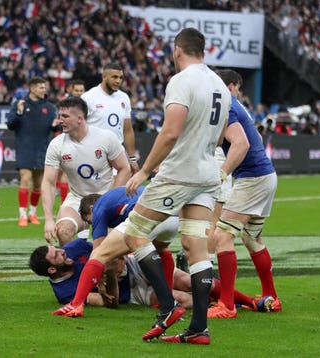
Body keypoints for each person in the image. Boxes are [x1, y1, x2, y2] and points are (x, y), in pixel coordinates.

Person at [60, 28, 229, 345]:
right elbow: (220, 138)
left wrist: (144, 170)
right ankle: (198, 329)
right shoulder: (219, 84)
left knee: (135, 233)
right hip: (208, 173)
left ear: (178, 50)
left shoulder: (182, 81)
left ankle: (167, 308)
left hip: (180, 172)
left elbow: (170, 132)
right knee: (195, 248)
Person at [207, 69, 281, 319]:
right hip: (264, 175)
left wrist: (222, 173)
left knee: (221, 235)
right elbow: (255, 137)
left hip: (253, 179)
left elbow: (242, 143)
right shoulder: (238, 106)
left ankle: (226, 304)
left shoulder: (227, 107)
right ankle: (271, 296)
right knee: (251, 238)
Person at [30, 238, 275, 311]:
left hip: (134, 265)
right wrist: (111, 276)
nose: (63, 251)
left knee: (188, 280)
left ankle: (248, 302)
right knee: (185, 298)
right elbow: (109, 302)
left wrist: (120, 258)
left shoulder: (75, 247)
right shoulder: (65, 293)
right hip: (133, 292)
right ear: (52, 270)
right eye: (57, 255)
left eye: (58, 249)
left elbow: (106, 242)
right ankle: (215, 304)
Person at [40, 96, 130, 247]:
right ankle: (78, 268)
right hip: (78, 198)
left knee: (111, 252)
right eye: (60, 116)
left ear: (80, 118)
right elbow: (48, 182)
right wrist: (48, 220)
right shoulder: (56, 145)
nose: (60, 120)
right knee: (63, 231)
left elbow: (124, 168)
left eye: (65, 116)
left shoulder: (106, 138)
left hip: (107, 196)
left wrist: (110, 199)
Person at [6, 77, 59, 226]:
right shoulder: (20, 104)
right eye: (41, 87)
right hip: (25, 149)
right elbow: (10, 124)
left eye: (44, 87)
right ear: (33, 88)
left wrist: (56, 125)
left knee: (37, 184)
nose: (44, 90)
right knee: (25, 179)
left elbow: (55, 128)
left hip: (42, 149)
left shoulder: (49, 107)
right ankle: (22, 215)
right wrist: (19, 113)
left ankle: (32, 213)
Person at [81, 63, 139, 174]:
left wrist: (132, 158)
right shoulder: (88, 97)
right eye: (114, 77)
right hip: (94, 152)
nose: (118, 81)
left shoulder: (124, 98)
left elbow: (127, 130)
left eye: (121, 78)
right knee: (94, 191)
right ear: (104, 77)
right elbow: (79, 127)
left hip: (117, 153)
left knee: (117, 189)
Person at [55, 79, 86, 206]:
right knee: (64, 171)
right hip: (67, 139)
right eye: (76, 90)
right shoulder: (65, 104)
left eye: (81, 90)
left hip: (83, 141)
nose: (79, 93)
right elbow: (59, 122)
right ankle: (65, 202)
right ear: (71, 90)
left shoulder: (87, 104)